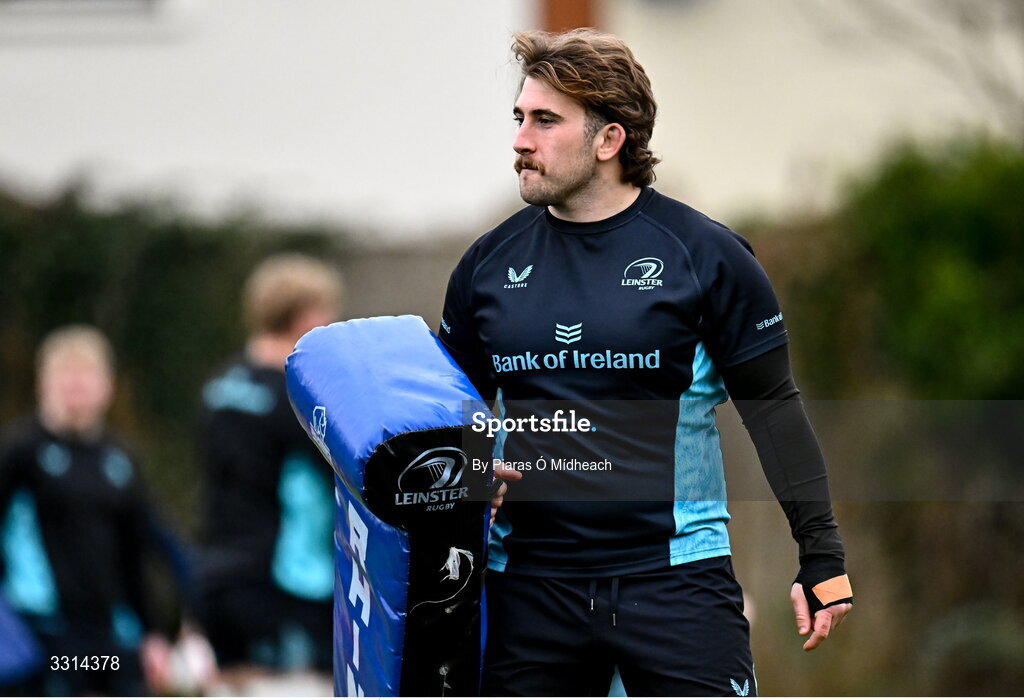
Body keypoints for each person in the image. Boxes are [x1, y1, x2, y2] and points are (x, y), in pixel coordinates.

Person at [439, 29, 853, 696]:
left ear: (610, 140)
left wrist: (822, 557)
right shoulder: (486, 267)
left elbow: (774, 413)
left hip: (677, 582)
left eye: (546, 121)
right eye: (520, 118)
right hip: (527, 588)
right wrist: (469, 462)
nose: (520, 140)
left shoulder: (707, 257)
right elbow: (447, 412)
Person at [196, 253, 342, 694]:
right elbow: (348, 476)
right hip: (283, 586)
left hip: (218, 577)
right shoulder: (296, 398)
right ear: (306, 315)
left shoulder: (220, 386)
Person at [0, 325, 174, 696]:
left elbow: (135, 551)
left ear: (106, 386)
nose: (75, 386)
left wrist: (152, 632)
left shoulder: (120, 458)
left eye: (85, 376)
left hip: (112, 632)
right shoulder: (21, 454)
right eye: (65, 376)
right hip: (46, 633)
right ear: (42, 384)